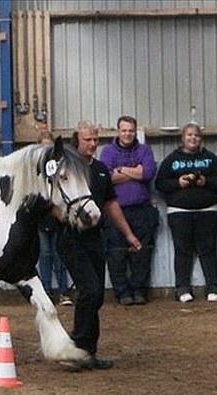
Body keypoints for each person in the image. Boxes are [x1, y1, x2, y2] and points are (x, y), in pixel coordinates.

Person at [55, 121, 142, 372]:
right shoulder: (66, 168)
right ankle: (75, 349)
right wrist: (65, 218)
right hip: (71, 238)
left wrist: (129, 235)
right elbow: (50, 201)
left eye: (95, 140)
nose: (93, 144)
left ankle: (88, 352)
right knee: (90, 291)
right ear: (76, 140)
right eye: (88, 140)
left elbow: (110, 204)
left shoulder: (102, 170)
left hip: (95, 238)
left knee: (96, 297)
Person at [155, 123, 217, 303]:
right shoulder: (171, 160)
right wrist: (178, 183)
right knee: (182, 251)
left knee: (208, 250)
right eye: (189, 135)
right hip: (179, 212)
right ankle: (182, 288)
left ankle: (213, 287)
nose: (193, 138)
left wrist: (205, 181)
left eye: (196, 135)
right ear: (182, 138)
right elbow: (160, 184)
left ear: (200, 139)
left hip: (207, 210)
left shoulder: (211, 158)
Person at [99, 115, 159, 305]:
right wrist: (135, 172)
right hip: (114, 210)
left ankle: (139, 291)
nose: (127, 134)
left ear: (135, 132)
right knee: (116, 252)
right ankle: (122, 292)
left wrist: (121, 170)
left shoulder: (144, 150)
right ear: (118, 131)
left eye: (131, 131)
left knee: (142, 252)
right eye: (124, 130)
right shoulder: (107, 151)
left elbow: (148, 173)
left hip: (141, 210)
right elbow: (106, 178)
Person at [36, 129, 73, 306]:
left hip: (56, 219)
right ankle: (46, 291)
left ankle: (64, 292)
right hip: (42, 219)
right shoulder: (37, 172)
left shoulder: (58, 169)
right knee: (45, 255)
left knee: (59, 255)